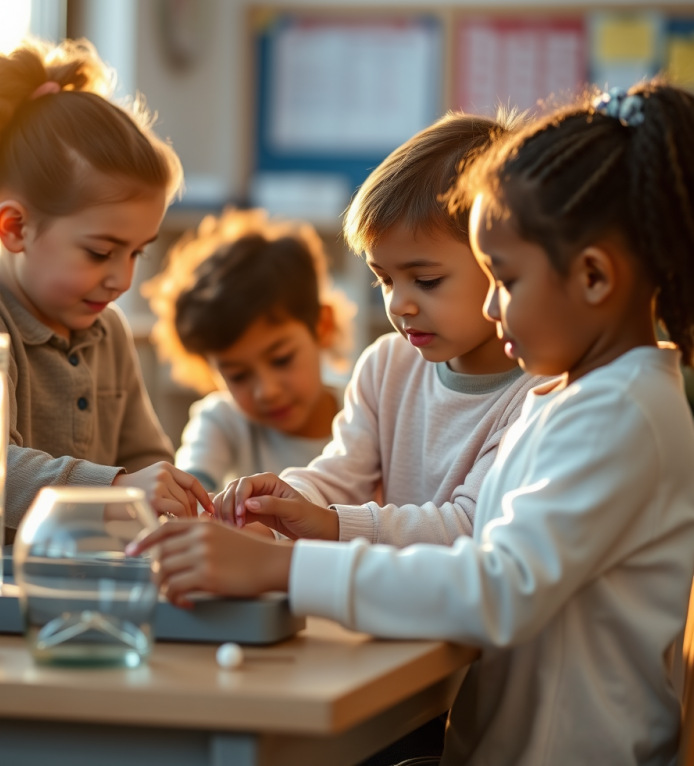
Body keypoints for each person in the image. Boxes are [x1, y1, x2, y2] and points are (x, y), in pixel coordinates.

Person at [133, 81, 694, 766]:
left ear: (595, 278)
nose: (492, 309)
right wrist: (293, 519)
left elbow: (497, 585)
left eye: (506, 281)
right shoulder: (579, 395)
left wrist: (285, 566)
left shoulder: (617, 413)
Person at [0, 39, 211, 565]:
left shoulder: (107, 332)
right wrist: (117, 489)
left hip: (53, 583)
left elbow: (144, 458)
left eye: (137, 253)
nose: (122, 279)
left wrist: (180, 503)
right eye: (101, 252)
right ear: (15, 227)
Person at [213, 111, 546, 550]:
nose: (398, 304)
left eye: (426, 280)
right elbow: (339, 475)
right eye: (384, 280)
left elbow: (469, 524)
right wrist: (280, 503)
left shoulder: (540, 390)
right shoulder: (387, 365)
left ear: (500, 262)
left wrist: (332, 525)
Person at [143, 208, 354, 492]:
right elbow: (191, 491)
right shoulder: (222, 421)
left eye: (281, 360)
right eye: (238, 375)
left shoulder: (366, 415)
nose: (267, 391)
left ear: (322, 326)